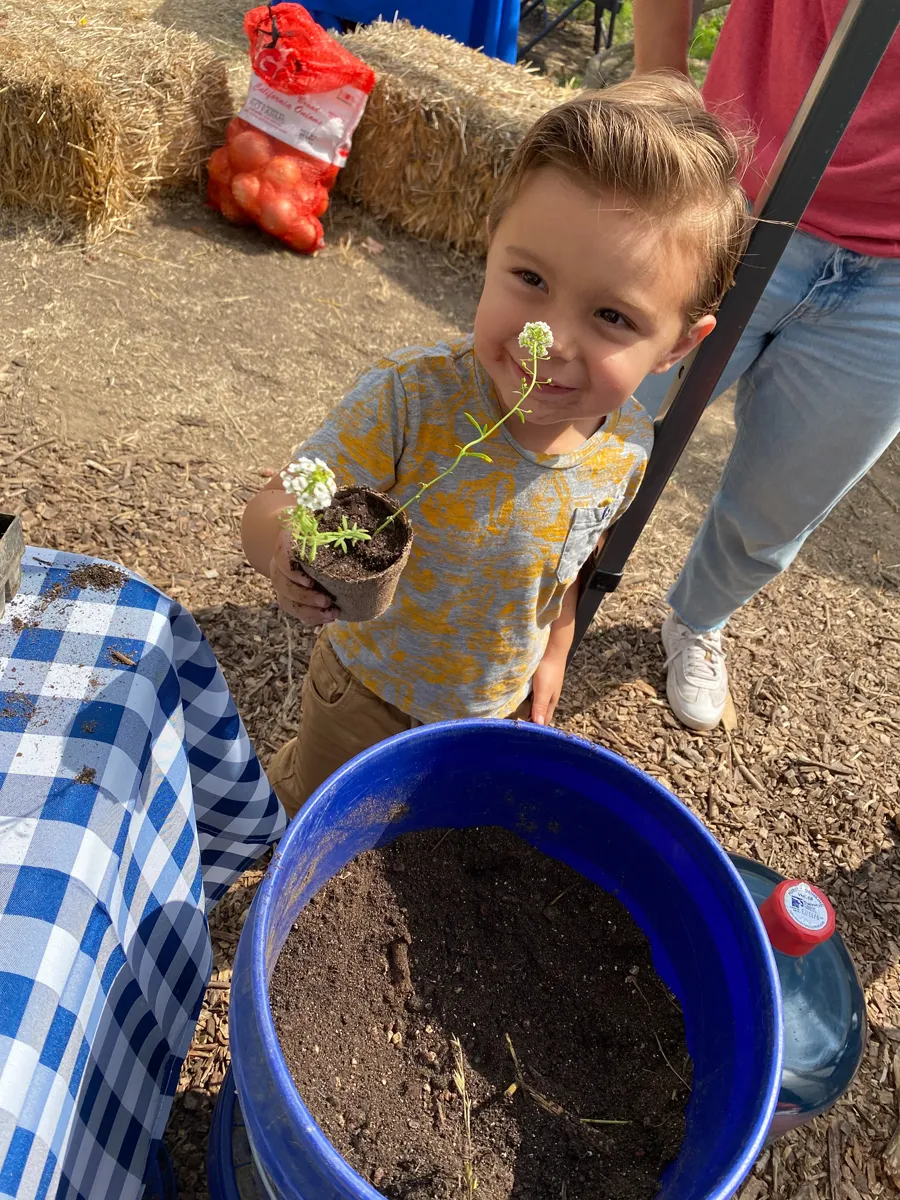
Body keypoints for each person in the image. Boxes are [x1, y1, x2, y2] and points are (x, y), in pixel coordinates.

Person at [241, 75, 750, 819]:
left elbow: (572, 560)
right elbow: (279, 501)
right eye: (530, 277)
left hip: (487, 710)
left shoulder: (628, 444)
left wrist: (555, 649)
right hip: (365, 693)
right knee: (313, 817)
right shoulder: (413, 399)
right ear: (491, 247)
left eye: (613, 315)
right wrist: (287, 549)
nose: (552, 344)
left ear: (678, 345)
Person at [633, 0, 900, 731]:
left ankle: (699, 618)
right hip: (736, 191)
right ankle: (525, 584)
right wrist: (662, 81)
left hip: (894, 279)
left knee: (785, 500)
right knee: (596, 420)